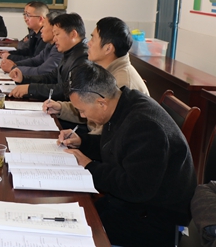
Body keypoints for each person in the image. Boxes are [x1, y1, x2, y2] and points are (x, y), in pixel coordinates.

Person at [58, 62, 196, 246]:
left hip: (154, 219)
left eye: (82, 110)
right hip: (134, 204)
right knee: (71, 214)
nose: (82, 116)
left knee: (73, 230)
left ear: (101, 103)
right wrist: (83, 142)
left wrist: (89, 166)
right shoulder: (123, 103)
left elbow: (135, 188)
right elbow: (119, 147)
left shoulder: (145, 126)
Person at [44, 16, 149, 134]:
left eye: (93, 39)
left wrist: (81, 140)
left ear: (108, 48)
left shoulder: (123, 84)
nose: (88, 43)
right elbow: (89, 104)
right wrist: (60, 108)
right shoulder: (104, 70)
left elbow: (107, 134)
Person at [9, 12, 87, 100]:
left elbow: (66, 90)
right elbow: (51, 78)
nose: (54, 39)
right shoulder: (69, 52)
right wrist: (23, 79)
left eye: (57, 34)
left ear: (73, 34)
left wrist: (30, 89)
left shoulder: (83, 58)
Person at [4, 11, 62, 76]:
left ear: (54, 29)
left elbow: (41, 71)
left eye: (44, 26)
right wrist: (15, 64)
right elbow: (35, 60)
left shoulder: (59, 50)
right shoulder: (49, 45)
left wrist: (14, 68)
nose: (41, 30)